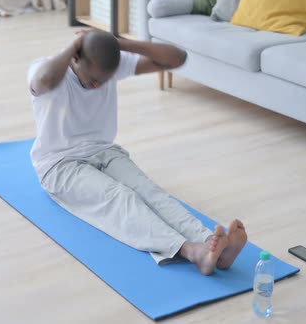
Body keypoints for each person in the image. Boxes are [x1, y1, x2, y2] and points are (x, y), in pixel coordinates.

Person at [27, 30, 247, 275]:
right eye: (93, 80)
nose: (99, 85)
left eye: (104, 80)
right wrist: (76, 44)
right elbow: (43, 81)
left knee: (149, 191)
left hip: (104, 151)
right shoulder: (48, 71)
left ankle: (211, 244)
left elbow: (177, 58)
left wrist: (118, 44)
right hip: (59, 164)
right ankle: (191, 251)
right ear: (76, 59)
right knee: (120, 197)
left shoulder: (107, 64)